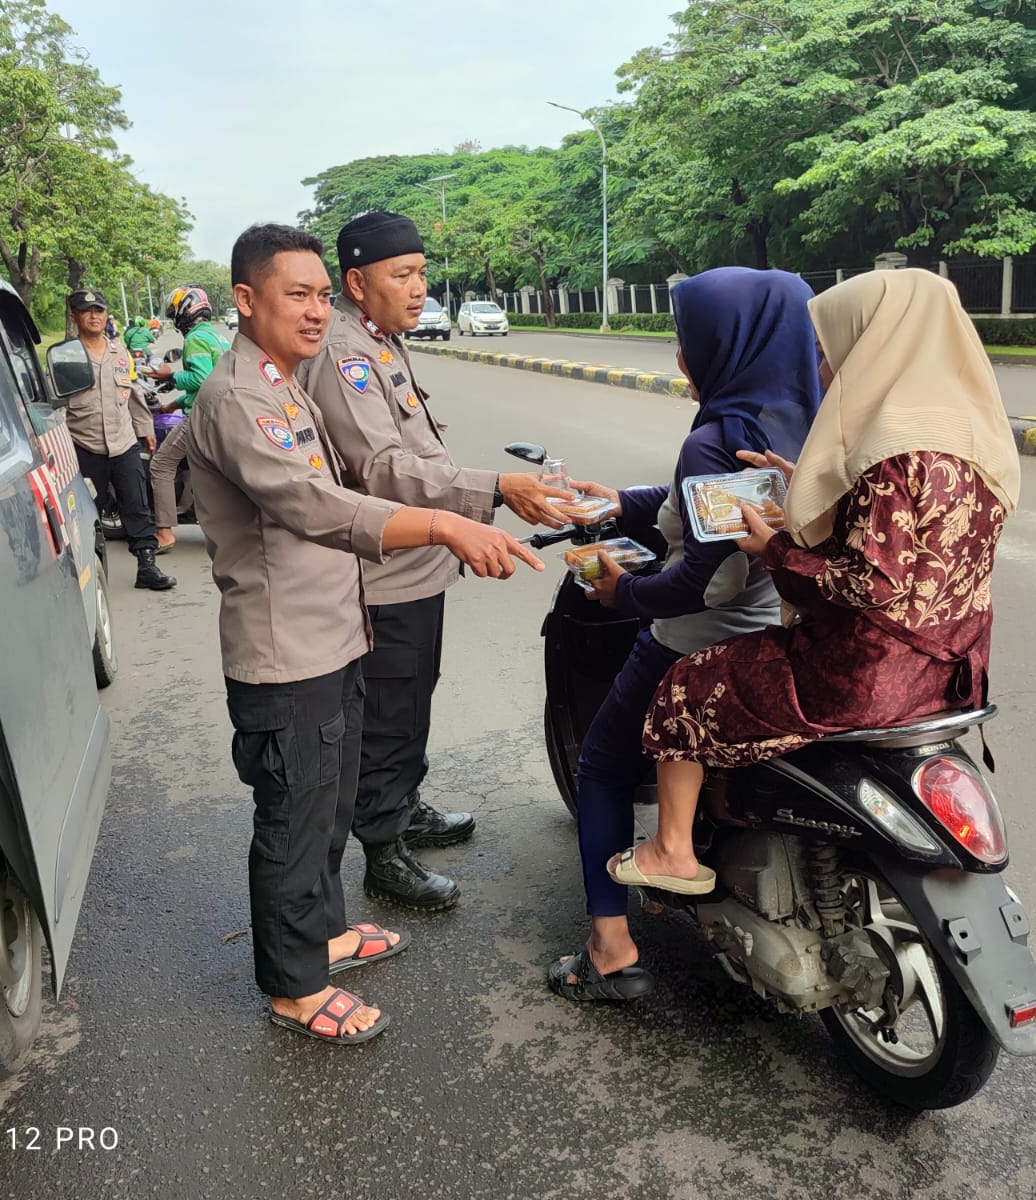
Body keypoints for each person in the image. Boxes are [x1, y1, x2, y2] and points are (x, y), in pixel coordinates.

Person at [186, 222, 544, 1044]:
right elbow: (316, 505)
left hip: (334, 633)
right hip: (287, 650)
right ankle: (295, 986)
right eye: (296, 295)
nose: (316, 313)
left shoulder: (283, 381)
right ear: (245, 300)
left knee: (331, 802)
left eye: (320, 295)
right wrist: (446, 526)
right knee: (296, 816)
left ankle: (327, 933)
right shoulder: (242, 396)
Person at [618, 268, 1021, 907]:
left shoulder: (892, 451)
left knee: (683, 688)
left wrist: (772, 548)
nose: (822, 367)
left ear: (875, 347)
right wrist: (793, 479)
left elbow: (874, 586)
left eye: (831, 350)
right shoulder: (973, 435)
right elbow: (917, 556)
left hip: (863, 675)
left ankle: (672, 850)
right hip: (952, 669)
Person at [543, 267, 824, 1002]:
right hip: (785, 632)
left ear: (721, 343)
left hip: (696, 640)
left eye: (685, 336)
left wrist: (620, 590)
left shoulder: (719, 436)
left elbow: (702, 581)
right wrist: (625, 502)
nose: (678, 353)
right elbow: (708, 517)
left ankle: (609, 947)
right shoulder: (814, 421)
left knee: (602, 765)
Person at [299, 210, 574, 912]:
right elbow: (386, 470)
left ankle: (404, 804)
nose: (419, 287)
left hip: (420, 561)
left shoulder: (381, 340)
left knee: (414, 692)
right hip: (387, 571)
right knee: (390, 705)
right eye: (403, 275)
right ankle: (384, 849)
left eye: (422, 272)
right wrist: (497, 488)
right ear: (357, 282)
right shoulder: (345, 353)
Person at [61, 288, 175, 591]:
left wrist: (146, 430)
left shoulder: (119, 352)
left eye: (99, 310)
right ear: (74, 317)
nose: (94, 316)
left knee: (136, 504)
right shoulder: (64, 356)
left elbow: (134, 393)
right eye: (87, 311)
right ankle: (84, 574)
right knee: (86, 513)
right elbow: (56, 404)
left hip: (123, 442)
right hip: (84, 446)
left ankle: (147, 565)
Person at [147, 286, 230, 552]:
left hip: (202, 416)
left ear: (185, 310)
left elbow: (202, 379)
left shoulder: (195, 339)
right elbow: (210, 382)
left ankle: (164, 533)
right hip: (223, 413)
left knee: (160, 465)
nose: (174, 318)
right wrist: (173, 403)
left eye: (174, 313)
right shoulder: (217, 337)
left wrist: (169, 377)